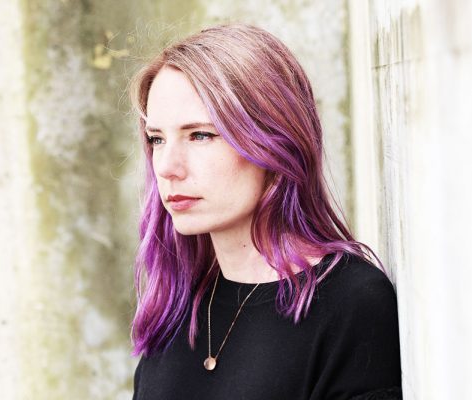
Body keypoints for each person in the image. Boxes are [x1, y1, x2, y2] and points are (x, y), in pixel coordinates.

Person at [128, 23, 402, 400]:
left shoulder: (350, 303)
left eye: (201, 135)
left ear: (274, 143)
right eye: (157, 139)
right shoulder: (176, 309)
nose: (167, 167)